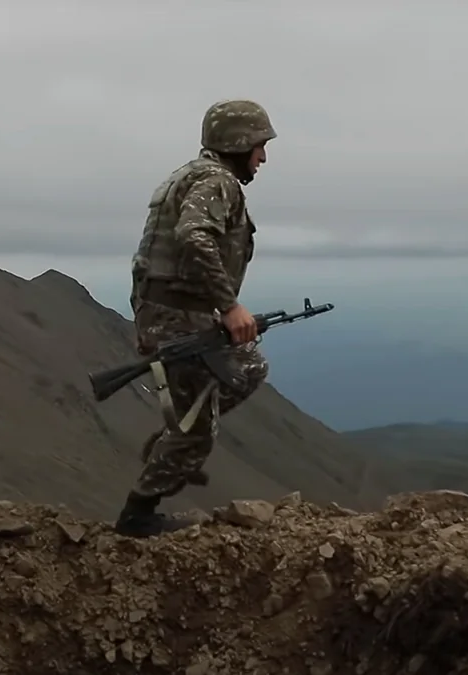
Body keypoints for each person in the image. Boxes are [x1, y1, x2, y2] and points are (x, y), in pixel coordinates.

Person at [116, 99, 277, 537]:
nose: (263, 157)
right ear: (238, 143)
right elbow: (193, 235)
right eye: (259, 146)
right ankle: (139, 515)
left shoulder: (192, 176)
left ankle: (174, 442)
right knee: (199, 426)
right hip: (178, 318)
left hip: (171, 313)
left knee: (248, 368)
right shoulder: (217, 182)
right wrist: (228, 306)